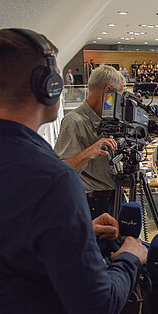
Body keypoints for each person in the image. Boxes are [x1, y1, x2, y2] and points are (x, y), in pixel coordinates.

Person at [0, 29, 148, 314]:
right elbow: (98, 308)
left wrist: (75, 232)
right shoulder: (55, 179)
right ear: (48, 86)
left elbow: (6, 235)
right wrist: (129, 257)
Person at [54, 65, 125, 218]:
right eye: (119, 96)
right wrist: (88, 153)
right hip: (95, 204)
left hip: (116, 196)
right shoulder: (73, 121)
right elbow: (59, 171)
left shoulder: (109, 121)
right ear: (108, 92)